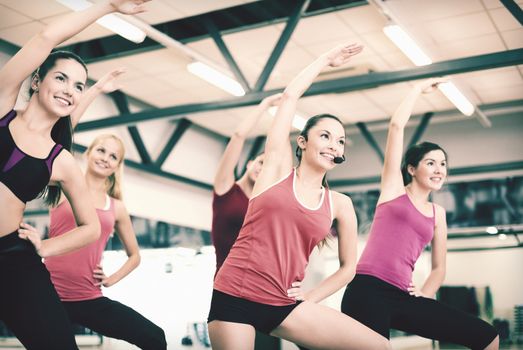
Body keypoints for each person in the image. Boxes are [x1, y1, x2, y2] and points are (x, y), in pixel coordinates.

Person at [208, 43, 391, 350]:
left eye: (341, 141)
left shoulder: (340, 204)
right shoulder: (276, 171)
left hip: (282, 302)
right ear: (303, 142)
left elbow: (348, 268)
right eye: (325, 136)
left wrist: (311, 296)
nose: (334, 144)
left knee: (379, 346)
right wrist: (325, 59)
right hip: (234, 296)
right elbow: (290, 96)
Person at [0, 0, 152, 348]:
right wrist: (108, 6)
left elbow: (91, 227)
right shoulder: (3, 107)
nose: (70, 89)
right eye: (62, 78)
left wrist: (45, 245)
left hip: (11, 259)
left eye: (80, 86)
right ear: (37, 80)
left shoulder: (61, 161)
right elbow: (44, 37)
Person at [341, 78, 499, 350]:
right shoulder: (393, 191)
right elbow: (396, 126)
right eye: (431, 163)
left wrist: (425, 293)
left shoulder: (438, 214)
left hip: (403, 295)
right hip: (367, 290)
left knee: (487, 336)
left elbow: (439, 269)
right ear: (412, 169)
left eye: (443, 164)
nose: (439, 169)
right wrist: (416, 90)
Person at [44, 132, 166, 350]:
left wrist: (111, 279)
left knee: (155, 337)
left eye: (113, 156)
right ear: (88, 153)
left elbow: (135, 255)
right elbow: (52, 144)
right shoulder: (63, 187)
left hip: (87, 296)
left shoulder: (116, 207)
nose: (105, 158)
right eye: (101, 150)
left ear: (117, 165)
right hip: (49, 295)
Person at [212, 93, 282, 273]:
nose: (262, 168)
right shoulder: (225, 188)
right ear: (250, 163)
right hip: (226, 278)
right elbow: (238, 135)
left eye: (267, 167)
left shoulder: (264, 204)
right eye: (260, 162)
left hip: (257, 278)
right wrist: (265, 104)